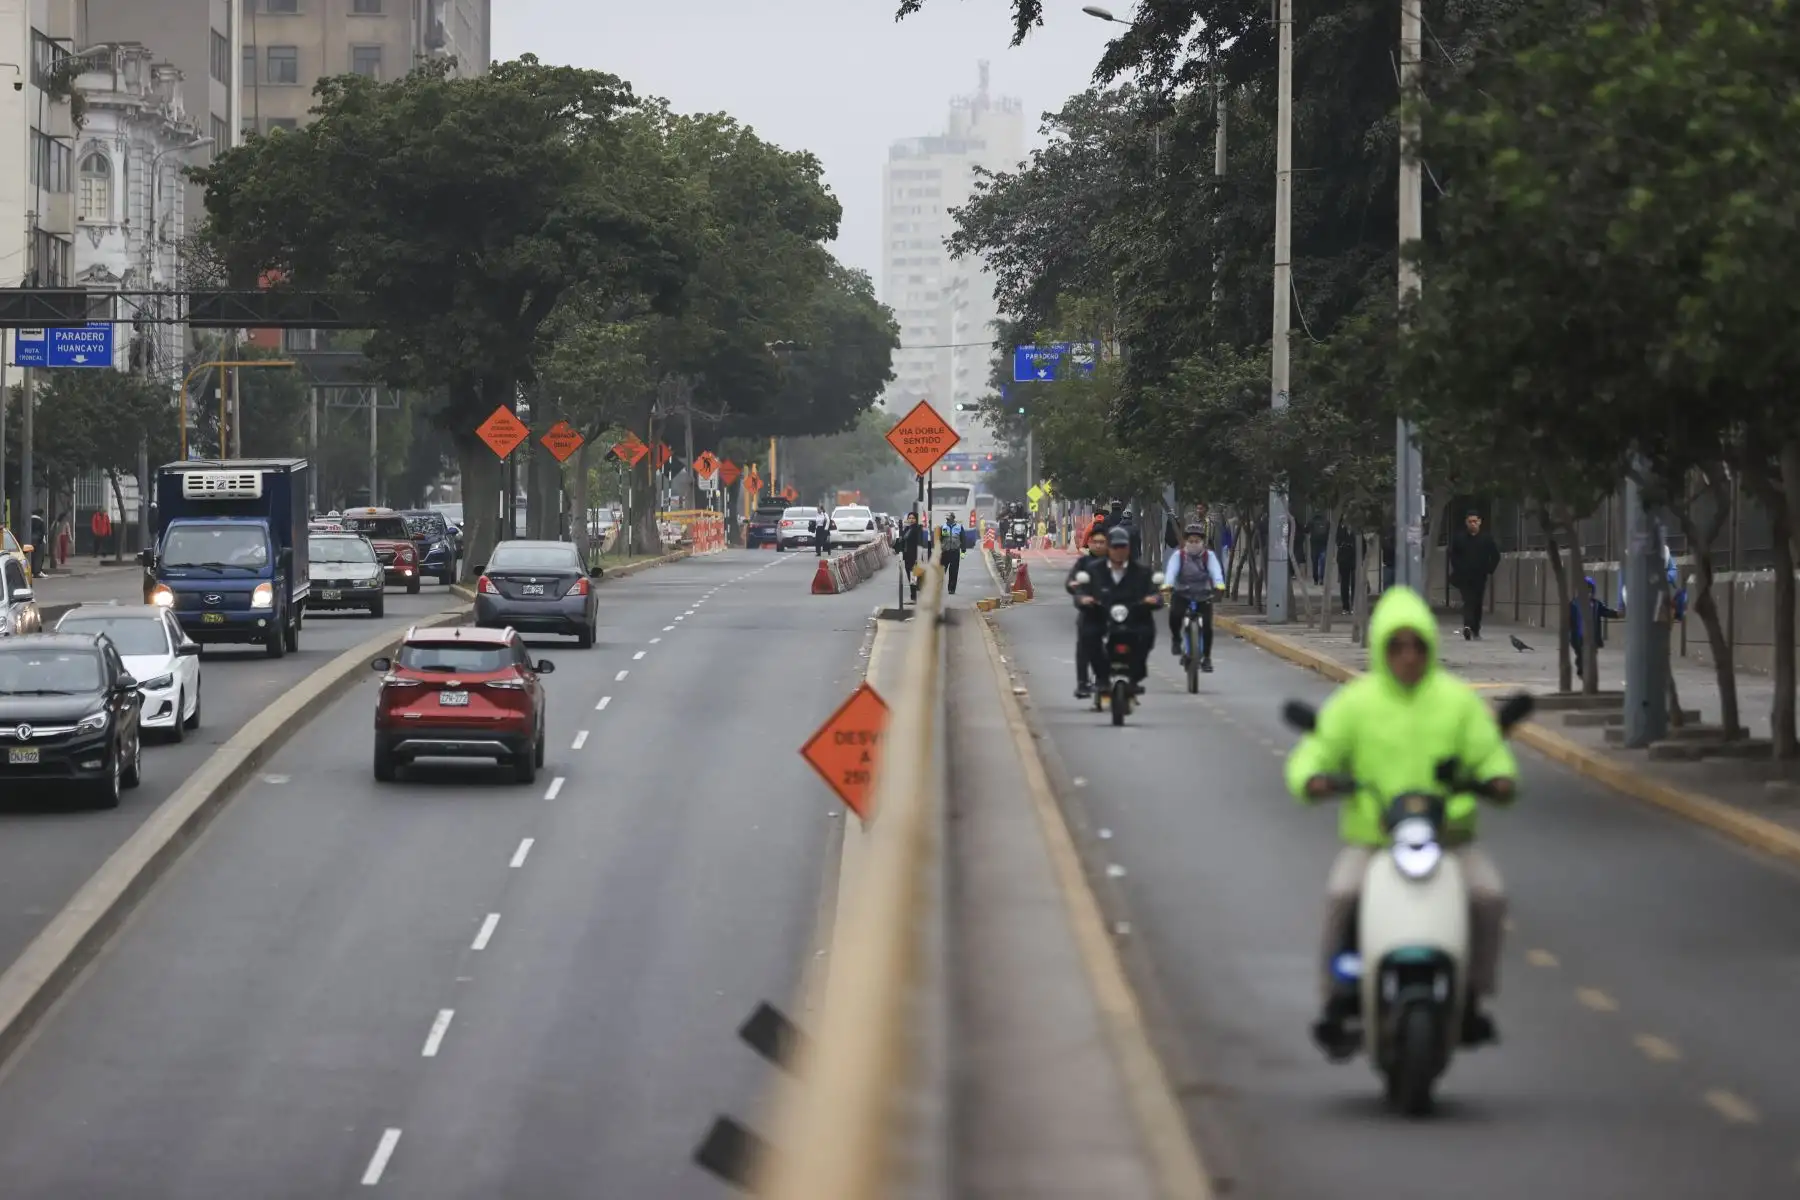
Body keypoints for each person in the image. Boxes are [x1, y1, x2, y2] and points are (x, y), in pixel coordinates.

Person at [1284, 586, 1518, 1059]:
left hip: (1448, 838)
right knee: (1342, 895)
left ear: (1430, 647)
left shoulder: (1457, 702)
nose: (1408, 656)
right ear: (1381, 648)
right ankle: (1336, 999)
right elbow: (1318, 749)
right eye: (1397, 646)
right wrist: (1312, 778)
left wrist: (1497, 779)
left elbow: (1489, 752)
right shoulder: (1356, 703)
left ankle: (1473, 994)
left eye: (1417, 645)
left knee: (1488, 896)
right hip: (1375, 840)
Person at [1074, 527, 1161, 696]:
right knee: (1088, 633)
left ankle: (1136, 675)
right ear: (1109, 548)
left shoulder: (1142, 572)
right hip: (1103, 617)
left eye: (1123, 547)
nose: (1119, 551)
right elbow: (1081, 592)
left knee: (1146, 633)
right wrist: (1084, 599)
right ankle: (1101, 677)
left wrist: (1153, 600)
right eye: (1115, 547)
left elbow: (1155, 594)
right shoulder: (1094, 570)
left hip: (1133, 618)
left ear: (1129, 548)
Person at [1163, 523, 1224, 671]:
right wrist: (1168, 584)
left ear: (1203, 542)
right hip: (1182, 593)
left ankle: (1207, 658)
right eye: (1191, 541)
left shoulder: (1208, 556)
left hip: (1203, 594)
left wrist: (1219, 584)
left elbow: (1215, 571)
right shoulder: (1179, 556)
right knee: (1175, 615)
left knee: (1207, 626)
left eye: (1197, 541)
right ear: (1185, 541)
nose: (1194, 544)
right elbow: (1171, 571)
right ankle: (1176, 639)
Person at [1066, 525, 1114, 697]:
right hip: (1091, 612)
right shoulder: (1083, 563)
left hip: (1114, 613)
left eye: (1102, 542)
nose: (1099, 545)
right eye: (1095, 542)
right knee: (1085, 644)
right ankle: (1083, 683)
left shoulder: (1117, 562)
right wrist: (1079, 593)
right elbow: (1072, 583)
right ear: (1089, 543)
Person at [1447, 509, 1500, 640]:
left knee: (1477, 603)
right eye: (1470, 521)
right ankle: (1467, 626)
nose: (1473, 524)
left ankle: (1475, 629)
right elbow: (1452, 555)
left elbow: (1495, 555)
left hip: (1480, 576)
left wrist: (1489, 569)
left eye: (1475, 521)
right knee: (1468, 600)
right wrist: (1458, 568)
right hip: (1464, 576)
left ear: (1480, 522)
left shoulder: (1486, 538)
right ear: (1466, 522)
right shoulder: (1459, 538)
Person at [1569, 575, 1622, 679]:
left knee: (1592, 654)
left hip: (1593, 636)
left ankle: (1587, 671)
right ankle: (1581, 670)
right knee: (1581, 654)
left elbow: (1605, 612)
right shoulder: (1574, 604)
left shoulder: (1596, 604)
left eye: (1590, 590)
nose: (1588, 594)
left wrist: (1616, 614)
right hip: (1579, 636)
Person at [897, 511, 930, 601]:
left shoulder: (918, 529)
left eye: (913, 518)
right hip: (907, 556)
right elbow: (902, 540)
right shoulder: (907, 529)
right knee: (910, 575)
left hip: (915, 556)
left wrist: (918, 557)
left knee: (913, 576)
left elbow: (920, 543)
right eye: (910, 518)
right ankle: (915, 591)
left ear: (916, 519)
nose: (911, 520)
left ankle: (914, 594)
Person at [938, 511, 964, 595]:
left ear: (953, 518)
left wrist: (963, 551)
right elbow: (939, 539)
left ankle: (951, 589)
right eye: (947, 519)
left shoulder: (959, 527)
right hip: (945, 552)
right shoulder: (943, 527)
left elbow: (963, 539)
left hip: (955, 552)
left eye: (949, 519)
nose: (948, 520)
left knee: (953, 572)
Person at [1336, 523, 1358, 615]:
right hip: (1343, 559)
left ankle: (1354, 605)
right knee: (1344, 584)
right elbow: (1337, 541)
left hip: (1355, 559)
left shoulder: (1357, 528)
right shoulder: (1340, 529)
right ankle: (1345, 606)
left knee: (1354, 583)